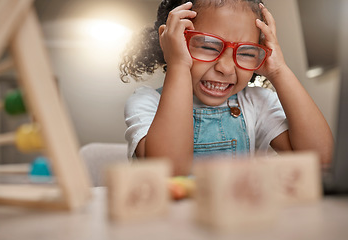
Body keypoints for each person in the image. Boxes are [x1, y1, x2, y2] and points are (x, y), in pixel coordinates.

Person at [120, 0, 333, 175]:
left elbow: (320, 162)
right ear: (172, 42)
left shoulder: (256, 103)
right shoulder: (146, 102)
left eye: (247, 53)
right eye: (207, 46)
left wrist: (279, 70)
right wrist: (178, 65)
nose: (226, 68)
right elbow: (169, 172)